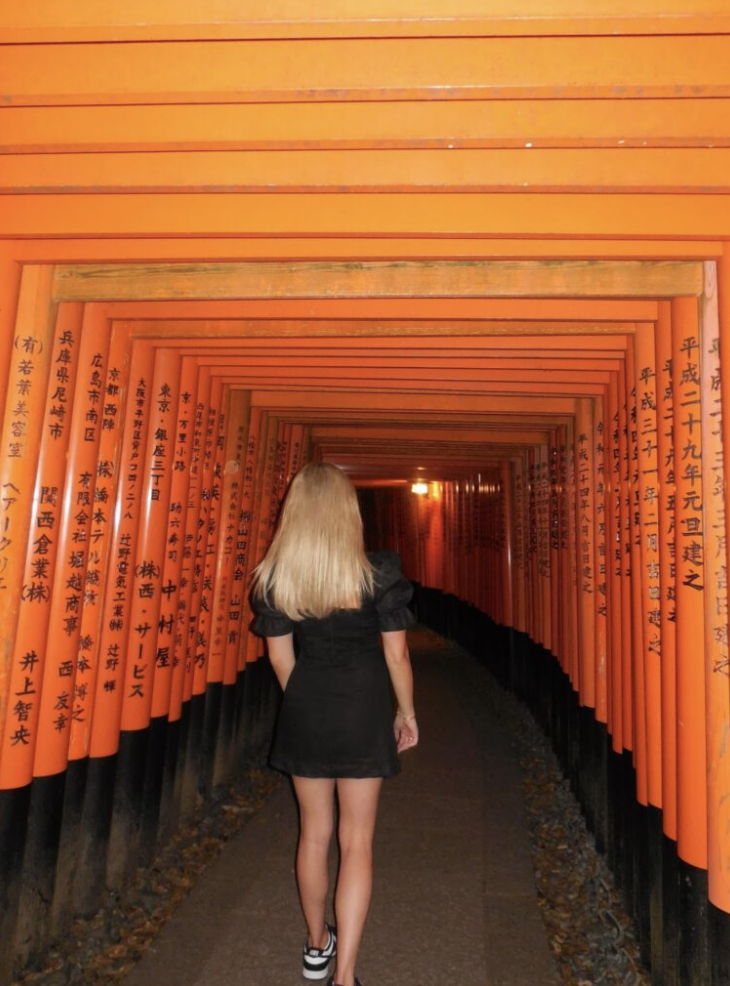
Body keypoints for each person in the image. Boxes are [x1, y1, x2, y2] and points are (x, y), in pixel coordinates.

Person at [250, 462, 418, 986]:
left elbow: (280, 662)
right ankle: (345, 975)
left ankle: (316, 945)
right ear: (348, 512)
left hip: (307, 706)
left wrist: (306, 701)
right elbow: (396, 656)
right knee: (358, 841)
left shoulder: (275, 578)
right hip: (365, 709)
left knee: (314, 835)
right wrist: (406, 713)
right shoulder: (379, 574)